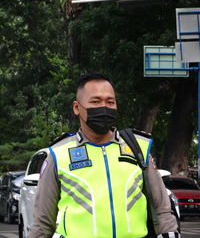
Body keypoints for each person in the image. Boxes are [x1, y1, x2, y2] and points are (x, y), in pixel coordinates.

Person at [28, 73, 180, 238]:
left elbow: (162, 209)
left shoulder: (138, 147)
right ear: (77, 108)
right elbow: (42, 224)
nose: (104, 107)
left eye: (110, 102)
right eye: (95, 101)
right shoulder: (58, 154)